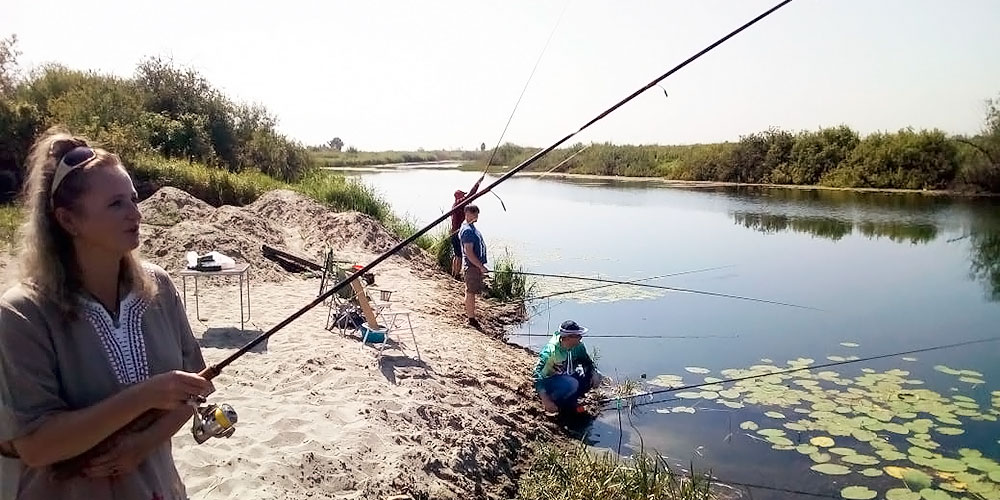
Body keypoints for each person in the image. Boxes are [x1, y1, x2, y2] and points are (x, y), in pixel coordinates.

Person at [0, 126, 214, 500]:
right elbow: (36, 445)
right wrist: (145, 396)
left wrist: (142, 445)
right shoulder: (22, 314)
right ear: (68, 221)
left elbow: (195, 389)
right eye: (116, 204)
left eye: (133, 199)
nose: (136, 213)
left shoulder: (159, 288)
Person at [532, 320, 602, 414]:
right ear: (568, 338)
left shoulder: (578, 346)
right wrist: (546, 400)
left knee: (595, 376)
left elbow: (586, 361)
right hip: (549, 381)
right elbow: (537, 375)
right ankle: (556, 402)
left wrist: (593, 373)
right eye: (578, 336)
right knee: (572, 383)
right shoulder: (550, 351)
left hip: (566, 375)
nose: (580, 338)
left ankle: (571, 400)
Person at [450, 174, 484, 278]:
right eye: (463, 195)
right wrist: (478, 183)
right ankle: (456, 275)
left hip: (453, 232)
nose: (465, 196)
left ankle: (454, 273)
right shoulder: (459, 204)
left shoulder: (455, 205)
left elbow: (469, 198)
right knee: (459, 255)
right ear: (459, 197)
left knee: (457, 254)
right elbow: (471, 195)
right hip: (456, 233)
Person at [459, 204, 487, 329]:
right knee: (470, 292)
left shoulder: (471, 227)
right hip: (471, 267)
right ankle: (471, 319)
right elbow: (469, 252)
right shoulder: (467, 230)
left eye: (477, 213)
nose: (475, 215)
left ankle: (471, 316)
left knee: (471, 292)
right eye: (473, 213)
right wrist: (480, 266)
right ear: (467, 213)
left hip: (474, 267)